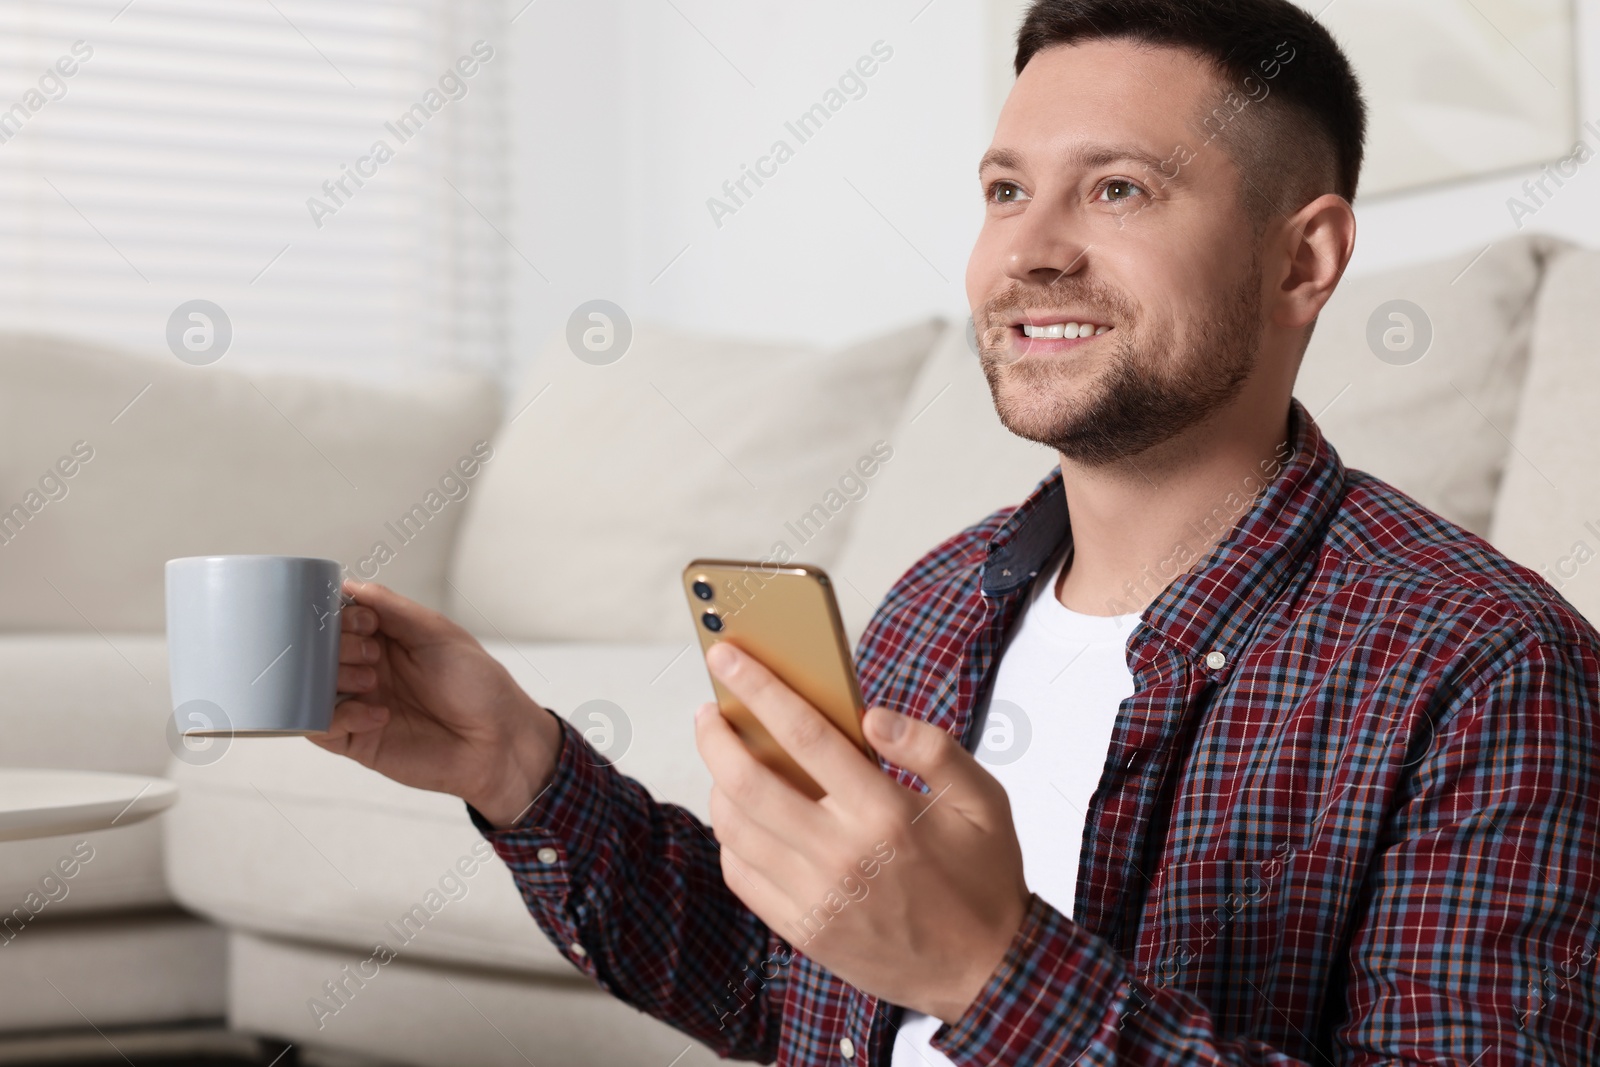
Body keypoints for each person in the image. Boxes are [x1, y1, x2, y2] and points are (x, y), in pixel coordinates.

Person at [312, 0, 1600, 1062]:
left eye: (1118, 189)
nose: (1028, 251)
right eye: (1003, 189)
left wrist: (990, 973)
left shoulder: (1490, 668)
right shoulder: (943, 598)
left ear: (1303, 262)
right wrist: (519, 767)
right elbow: (787, 990)